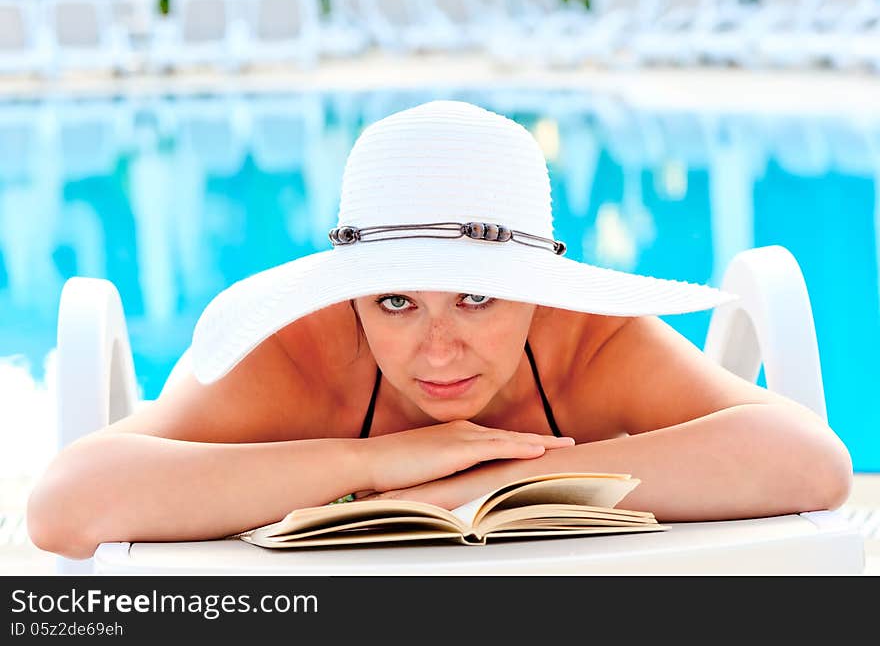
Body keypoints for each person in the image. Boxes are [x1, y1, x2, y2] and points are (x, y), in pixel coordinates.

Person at [27, 100, 852, 560]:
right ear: (351, 298)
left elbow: (812, 463)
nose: (438, 348)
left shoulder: (588, 343)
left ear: (537, 293)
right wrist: (376, 464)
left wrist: (488, 483)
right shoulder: (298, 355)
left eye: (477, 299)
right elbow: (65, 504)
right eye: (395, 303)